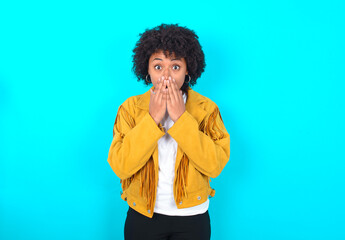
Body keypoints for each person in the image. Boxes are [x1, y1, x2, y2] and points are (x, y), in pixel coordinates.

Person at [107, 23, 230, 240]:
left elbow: (215, 165)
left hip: (193, 218)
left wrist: (181, 119)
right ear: (146, 70)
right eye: (158, 66)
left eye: (175, 67)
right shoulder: (130, 109)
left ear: (188, 70)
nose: (166, 75)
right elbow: (121, 166)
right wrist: (152, 118)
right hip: (143, 215)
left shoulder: (207, 109)